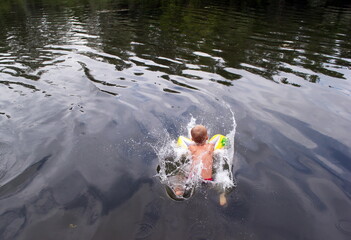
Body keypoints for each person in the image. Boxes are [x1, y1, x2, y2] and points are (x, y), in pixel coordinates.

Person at [175, 125, 227, 206]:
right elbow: (220, 138)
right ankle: (222, 195)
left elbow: (181, 139)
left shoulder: (192, 148)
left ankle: (178, 190)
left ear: (192, 139)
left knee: (181, 175)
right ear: (207, 138)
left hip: (193, 178)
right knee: (221, 184)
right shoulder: (210, 147)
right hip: (208, 179)